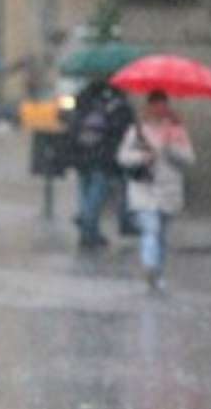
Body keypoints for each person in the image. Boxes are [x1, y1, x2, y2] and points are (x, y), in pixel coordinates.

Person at [116, 90, 196, 293]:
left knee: (161, 234)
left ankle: (158, 272)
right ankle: (149, 266)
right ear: (149, 107)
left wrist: (170, 149)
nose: (159, 110)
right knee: (150, 229)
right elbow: (123, 157)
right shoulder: (137, 130)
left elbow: (189, 159)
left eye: (163, 105)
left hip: (169, 189)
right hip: (144, 188)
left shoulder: (177, 130)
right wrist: (143, 157)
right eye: (155, 105)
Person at [69, 79, 134, 249]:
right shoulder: (117, 105)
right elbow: (122, 131)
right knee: (96, 194)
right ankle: (87, 225)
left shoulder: (84, 101)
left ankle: (89, 229)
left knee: (86, 193)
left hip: (81, 154)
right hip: (102, 157)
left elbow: (71, 126)